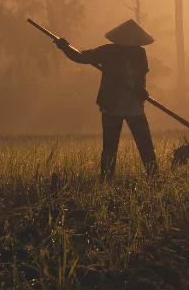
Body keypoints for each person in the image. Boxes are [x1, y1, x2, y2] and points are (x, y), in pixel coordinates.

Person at [55, 19, 158, 179]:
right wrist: (65, 47)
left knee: (145, 144)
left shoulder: (139, 54)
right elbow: (81, 57)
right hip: (112, 105)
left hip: (134, 106)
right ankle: (107, 180)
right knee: (110, 147)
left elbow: (141, 77)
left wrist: (141, 90)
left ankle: (154, 177)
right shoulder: (108, 52)